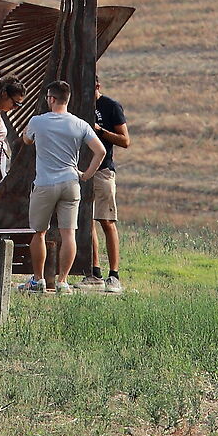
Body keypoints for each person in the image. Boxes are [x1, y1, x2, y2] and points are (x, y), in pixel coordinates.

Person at [22, 80, 105, 293]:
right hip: (71, 182)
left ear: (51, 99)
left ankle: (38, 280)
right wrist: (86, 174)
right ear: (67, 99)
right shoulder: (80, 124)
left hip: (45, 184)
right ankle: (63, 282)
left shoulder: (38, 122)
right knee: (69, 234)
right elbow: (100, 151)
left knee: (39, 233)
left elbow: (27, 140)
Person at [83, 76, 128, 293]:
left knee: (107, 221)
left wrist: (99, 131)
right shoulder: (78, 106)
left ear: (98, 86)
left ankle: (114, 274)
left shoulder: (111, 106)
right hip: (82, 170)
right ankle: (94, 272)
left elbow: (125, 140)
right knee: (86, 221)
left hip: (103, 170)